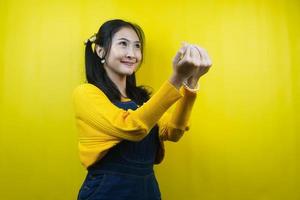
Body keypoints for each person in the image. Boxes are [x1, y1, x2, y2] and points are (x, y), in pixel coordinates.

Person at [73, 19, 212, 200]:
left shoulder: (142, 101)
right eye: (123, 44)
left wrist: (190, 82)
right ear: (100, 50)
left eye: (137, 46)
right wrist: (177, 78)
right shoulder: (86, 94)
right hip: (107, 191)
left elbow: (174, 131)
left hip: (147, 191)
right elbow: (132, 126)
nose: (132, 54)